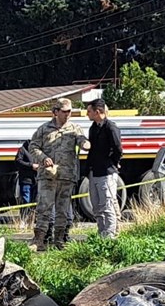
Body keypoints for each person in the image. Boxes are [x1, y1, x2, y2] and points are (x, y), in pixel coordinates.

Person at [28, 98, 90, 250]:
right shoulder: (44, 129)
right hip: (47, 175)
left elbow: (82, 140)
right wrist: (43, 158)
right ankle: (39, 240)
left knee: (63, 210)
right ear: (55, 112)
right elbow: (33, 147)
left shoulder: (75, 129)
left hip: (66, 175)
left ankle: (60, 240)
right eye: (64, 111)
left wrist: (84, 144)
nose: (67, 114)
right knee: (44, 208)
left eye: (69, 111)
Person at [85, 98, 123, 238]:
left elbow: (118, 148)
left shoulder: (110, 127)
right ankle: (101, 233)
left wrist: (113, 162)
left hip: (107, 172)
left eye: (89, 111)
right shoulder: (93, 128)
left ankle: (110, 236)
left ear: (98, 111)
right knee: (97, 206)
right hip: (94, 171)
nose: (87, 114)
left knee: (108, 204)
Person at [15, 139, 38, 208]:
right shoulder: (22, 150)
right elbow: (18, 162)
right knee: (26, 201)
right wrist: (31, 166)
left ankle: (33, 217)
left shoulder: (38, 151)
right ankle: (25, 217)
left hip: (36, 180)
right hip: (26, 180)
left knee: (35, 201)